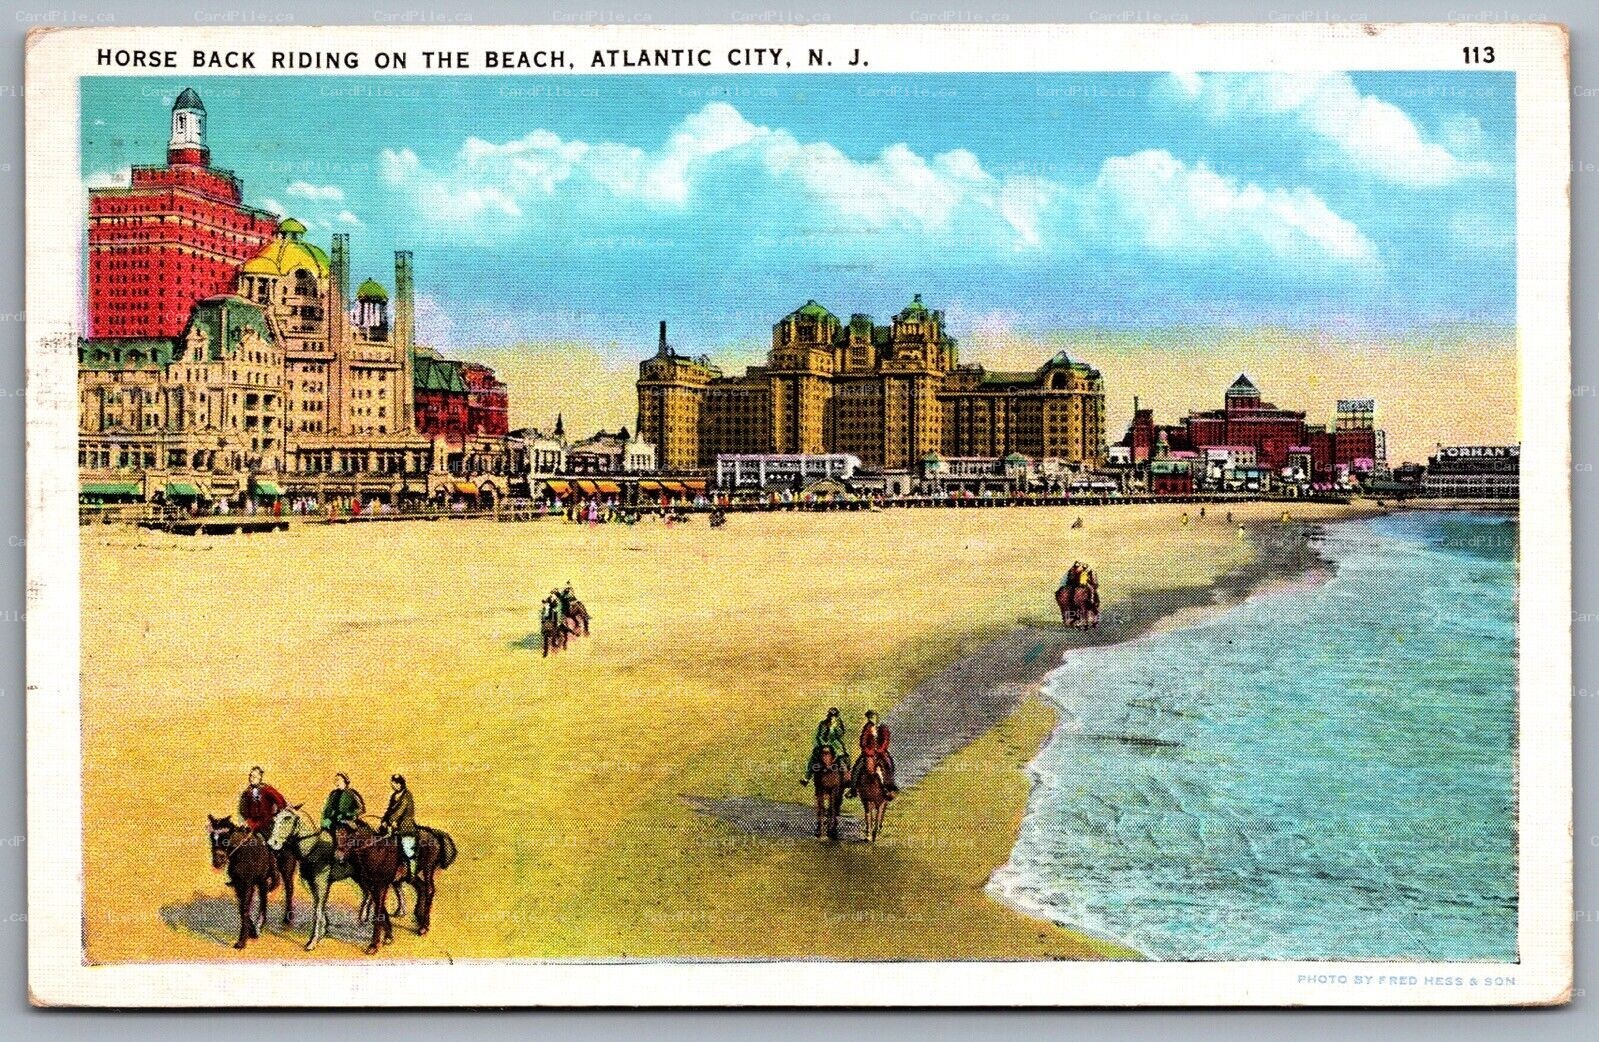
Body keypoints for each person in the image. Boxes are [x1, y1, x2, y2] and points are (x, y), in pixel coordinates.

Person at [850, 710, 897, 800]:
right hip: (868, 753)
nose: (872, 719)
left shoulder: (882, 728)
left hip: (881, 753)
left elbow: (885, 741)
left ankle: (890, 786)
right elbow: (863, 742)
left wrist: (879, 750)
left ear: (877, 718)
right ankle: (853, 788)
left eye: (874, 717)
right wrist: (869, 751)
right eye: (870, 718)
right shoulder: (866, 728)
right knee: (857, 766)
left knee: (889, 763)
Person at [380, 774, 418, 877]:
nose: (393, 786)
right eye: (393, 784)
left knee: (407, 848)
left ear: (400, 784)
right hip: (393, 825)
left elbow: (400, 810)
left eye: (395, 783)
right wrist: (384, 820)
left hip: (405, 826)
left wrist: (391, 821)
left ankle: (412, 870)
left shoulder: (407, 795)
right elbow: (390, 810)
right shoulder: (394, 795)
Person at [802, 707, 850, 785]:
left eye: (835, 716)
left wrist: (835, 727)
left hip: (835, 744)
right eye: (831, 715)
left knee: (844, 758)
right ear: (829, 715)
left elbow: (840, 735)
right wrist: (823, 744)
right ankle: (806, 778)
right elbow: (818, 736)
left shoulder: (839, 724)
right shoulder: (823, 723)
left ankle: (847, 777)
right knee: (813, 758)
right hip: (823, 744)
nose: (833, 717)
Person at [237, 766, 287, 835]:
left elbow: (280, 801)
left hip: (268, 823)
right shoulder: (246, 793)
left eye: (254, 776)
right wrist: (248, 821)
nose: (251, 778)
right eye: (250, 776)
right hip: (252, 824)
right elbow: (242, 809)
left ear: (260, 777)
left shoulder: (267, 789)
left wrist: (276, 815)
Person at [320, 772, 365, 838]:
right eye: (335, 780)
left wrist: (349, 816)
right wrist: (324, 820)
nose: (336, 782)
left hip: (348, 821)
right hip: (333, 821)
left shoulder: (352, 793)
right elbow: (327, 809)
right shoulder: (333, 794)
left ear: (345, 780)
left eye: (338, 780)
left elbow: (361, 809)